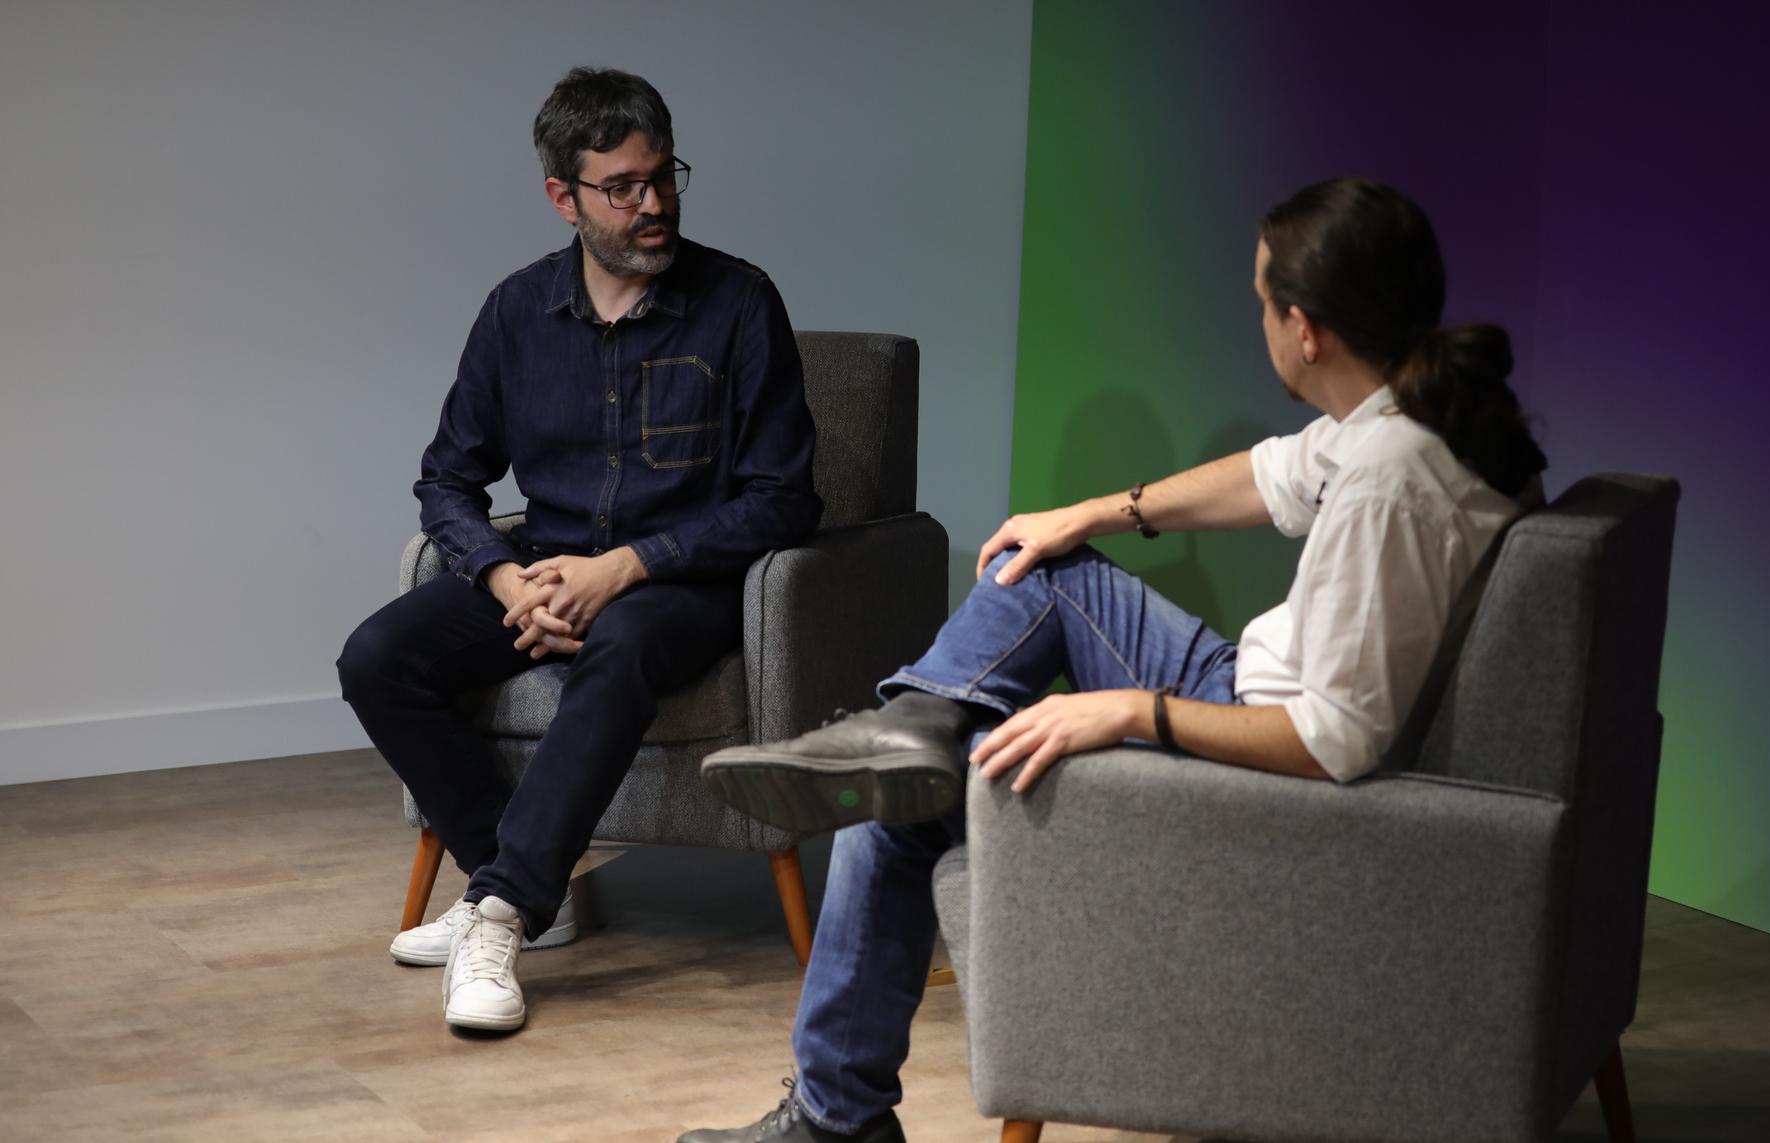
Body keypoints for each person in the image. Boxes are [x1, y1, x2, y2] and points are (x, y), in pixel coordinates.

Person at [685, 177, 1548, 1141]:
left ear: (1306, 330)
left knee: (891, 811)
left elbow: (1335, 741)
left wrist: (1132, 711)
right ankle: (913, 724)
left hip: (1265, 766)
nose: (1259, 320)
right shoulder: (1405, 421)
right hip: (1250, 687)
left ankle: (835, 1118)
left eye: (1263, 302)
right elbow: (1268, 474)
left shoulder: (1390, 481)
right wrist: (1095, 512)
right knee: (1039, 566)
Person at [335, 67, 819, 1033]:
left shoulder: (738, 304)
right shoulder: (517, 312)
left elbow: (784, 499)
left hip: (681, 582)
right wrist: (506, 579)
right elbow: (447, 478)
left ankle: (498, 914)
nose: (654, 205)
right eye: (623, 188)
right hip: (543, 571)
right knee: (377, 657)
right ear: (564, 196)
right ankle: (512, 883)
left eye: (663, 177)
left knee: (622, 641)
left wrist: (622, 570)